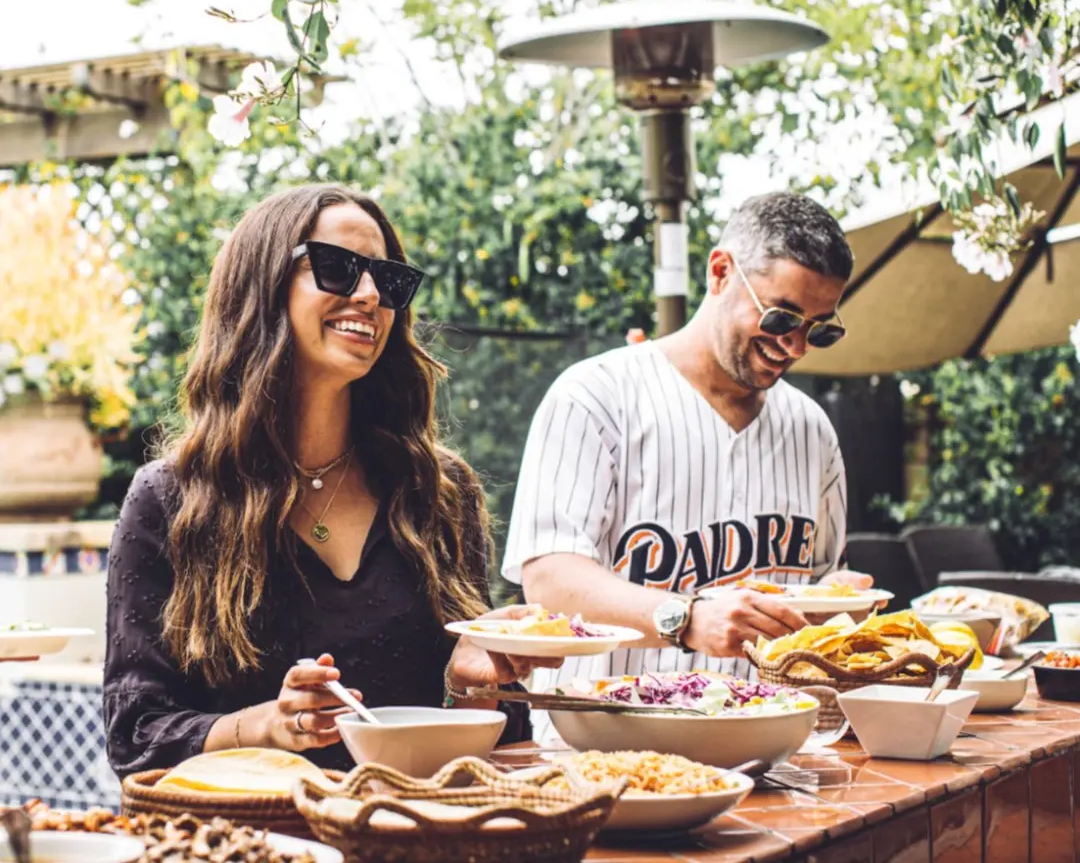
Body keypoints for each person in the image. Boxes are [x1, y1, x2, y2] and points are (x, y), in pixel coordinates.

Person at [104, 184, 560, 775]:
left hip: (415, 836)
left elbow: (494, 740)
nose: (370, 295)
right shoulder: (170, 500)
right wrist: (265, 725)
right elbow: (136, 735)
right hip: (256, 844)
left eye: (388, 279)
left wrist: (474, 683)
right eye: (339, 268)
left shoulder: (439, 492)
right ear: (262, 287)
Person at [502, 192, 870, 709]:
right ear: (720, 273)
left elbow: (821, 580)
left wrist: (842, 599)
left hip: (772, 746)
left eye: (820, 329)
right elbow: (550, 579)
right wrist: (686, 617)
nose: (797, 347)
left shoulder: (812, 428)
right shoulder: (595, 395)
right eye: (782, 319)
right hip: (608, 749)